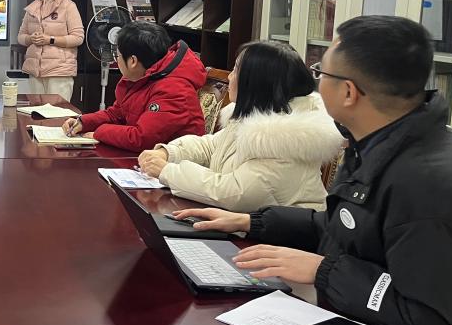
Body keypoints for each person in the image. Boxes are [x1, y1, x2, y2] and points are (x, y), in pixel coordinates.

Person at [176, 16, 452, 325]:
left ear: (349, 92)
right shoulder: (378, 140)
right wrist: (253, 222)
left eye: (321, 73)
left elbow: (441, 324)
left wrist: (325, 270)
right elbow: (352, 227)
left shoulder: (431, 185)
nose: (316, 84)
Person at [137, 40, 343, 212]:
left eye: (235, 70)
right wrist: (169, 153)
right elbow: (212, 146)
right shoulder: (260, 116)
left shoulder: (285, 137)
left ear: (255, 82)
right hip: (246, 227)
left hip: (284, 242)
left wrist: (168, 171)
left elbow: (234, 193)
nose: (229, 77)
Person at [62, 22, 206, 152]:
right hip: (147, 157)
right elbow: (117, 114)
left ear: (132, 61)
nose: (116, 60)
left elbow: (142, 138)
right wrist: (84, 122)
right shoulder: (142, 75)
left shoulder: (174, 89)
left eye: (117, 55)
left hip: (174, 165)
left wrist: (99, 132)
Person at [16, 0, 84, 103]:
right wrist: (31, 38)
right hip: (35, 71)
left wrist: (50, 39)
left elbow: (78, 38)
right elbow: (21, 37)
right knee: (36, 112)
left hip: (59, 71)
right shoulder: (33, 7)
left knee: (57, 113)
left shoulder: (68, 6)